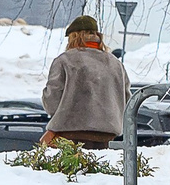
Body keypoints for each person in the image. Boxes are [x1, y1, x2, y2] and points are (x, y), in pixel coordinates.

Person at [41, 15, 129, 148]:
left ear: (74, 36)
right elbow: (126, 98)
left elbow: (52, 99)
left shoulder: (65, 60)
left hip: (70, 132)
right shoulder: (115, 64)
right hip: (107, 134)